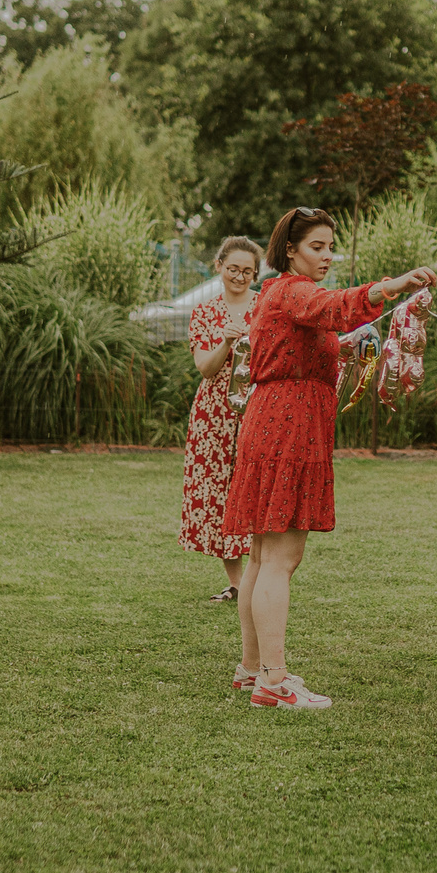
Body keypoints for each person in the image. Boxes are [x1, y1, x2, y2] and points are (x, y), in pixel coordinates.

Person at [223, 206, 437, 710]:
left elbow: (304, 342)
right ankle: (273, 682)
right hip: (288, 427)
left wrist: (343, 349)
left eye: (330, 247)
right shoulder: (295, 290)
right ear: (290, 250)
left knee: (262, 556)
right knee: (280, 559)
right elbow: (338, 306)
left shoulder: (278, 293)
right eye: (316, 246)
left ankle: (253, 668)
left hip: (273, 422)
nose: (326, 256)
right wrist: (394, 286)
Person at [179, 236, 262, 600]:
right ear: (219, 267)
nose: (239, 277)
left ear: (255, 274)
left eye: (247, 271)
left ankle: (259, 578)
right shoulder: (204, 312)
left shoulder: (264, 308)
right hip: (213, 415)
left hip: (257, 409)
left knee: (254, 489)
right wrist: (226, 343)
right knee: (218, 494)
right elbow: (205, 368)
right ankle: (238, 584)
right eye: (233, 269)